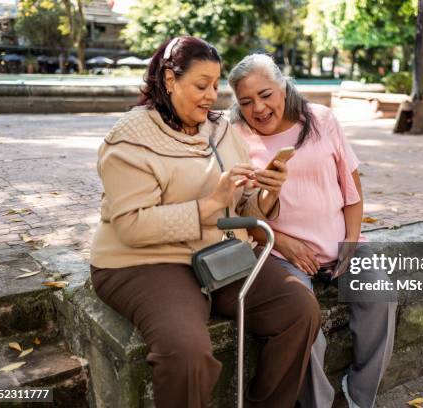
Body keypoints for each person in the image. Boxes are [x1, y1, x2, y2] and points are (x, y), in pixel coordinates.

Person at [89, 37, 321, 408]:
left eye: (215, 85)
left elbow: (243, 203)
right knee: (186, 352)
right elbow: (132, 226)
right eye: (201, 85)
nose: (212, 95)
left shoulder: (221, 131)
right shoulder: (130, 139)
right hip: (146, 262)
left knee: (300, 310)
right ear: (169, 79)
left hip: (218, 253)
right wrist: (211, 204)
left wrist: (267, 194)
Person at [228, 54, 398, 408]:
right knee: (305, 322)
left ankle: (359, 396)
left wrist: (350, 240)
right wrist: (286, 244)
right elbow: (244, 216)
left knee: (381, 296)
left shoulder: (321, 120)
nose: (258, 108)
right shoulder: (237, 138)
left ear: (283, 86)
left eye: (265, 94)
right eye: (246, 101)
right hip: (280, 253)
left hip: (340, 242)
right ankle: (319, 403)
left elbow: (352, 189)